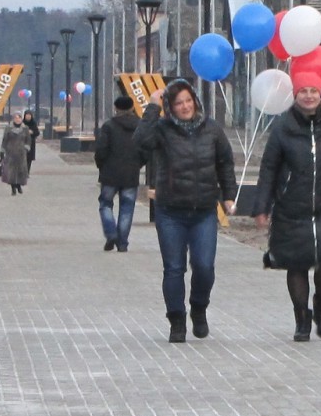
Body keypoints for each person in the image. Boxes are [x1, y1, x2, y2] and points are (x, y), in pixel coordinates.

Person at [253, 72, 321, 342]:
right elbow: (269, 168)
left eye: (314, 90)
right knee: (297, 263)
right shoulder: (283, 127)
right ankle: (302, 318)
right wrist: (261, 206)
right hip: (292, 206)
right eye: (304, 91)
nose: (309, 95)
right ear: (295, 95)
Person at [133, 79, 236, 342]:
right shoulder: (162, 130)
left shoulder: (211, 129)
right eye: (178, 103)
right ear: (171, 107)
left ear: (196, 101)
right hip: (170, 211)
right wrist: (153, 107)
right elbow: (140, 141)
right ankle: (176, 320)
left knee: (204, 266)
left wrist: (229, 195)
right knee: (174, 268)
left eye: (188, 100)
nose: (185, 106)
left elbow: (225, 162)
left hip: (203, 210)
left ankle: (199, 308)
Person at [94, 94, 142, 251]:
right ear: (132, 108)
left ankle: (111, 233)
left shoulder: (109, 126)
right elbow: (145, 149)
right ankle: (122, 243)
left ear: (116, 109)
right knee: (127, 208)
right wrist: (138, 164)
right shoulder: (140, 126)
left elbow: (101, 149)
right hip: (131, 173)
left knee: (105, 204)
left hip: (110, 173)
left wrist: (101, 165)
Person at [0, 119, 31, 195]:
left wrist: (26, 148)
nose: (17, 120)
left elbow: (28, 140)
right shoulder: (8, 128)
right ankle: (13, 188)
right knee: (11, 171)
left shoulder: (25, 128)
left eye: (19, 118)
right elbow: (5, 140)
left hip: (21, 153)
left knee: (20, 170)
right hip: (10, 152)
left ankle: (19, 185)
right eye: (16, 118)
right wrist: (2, 150)